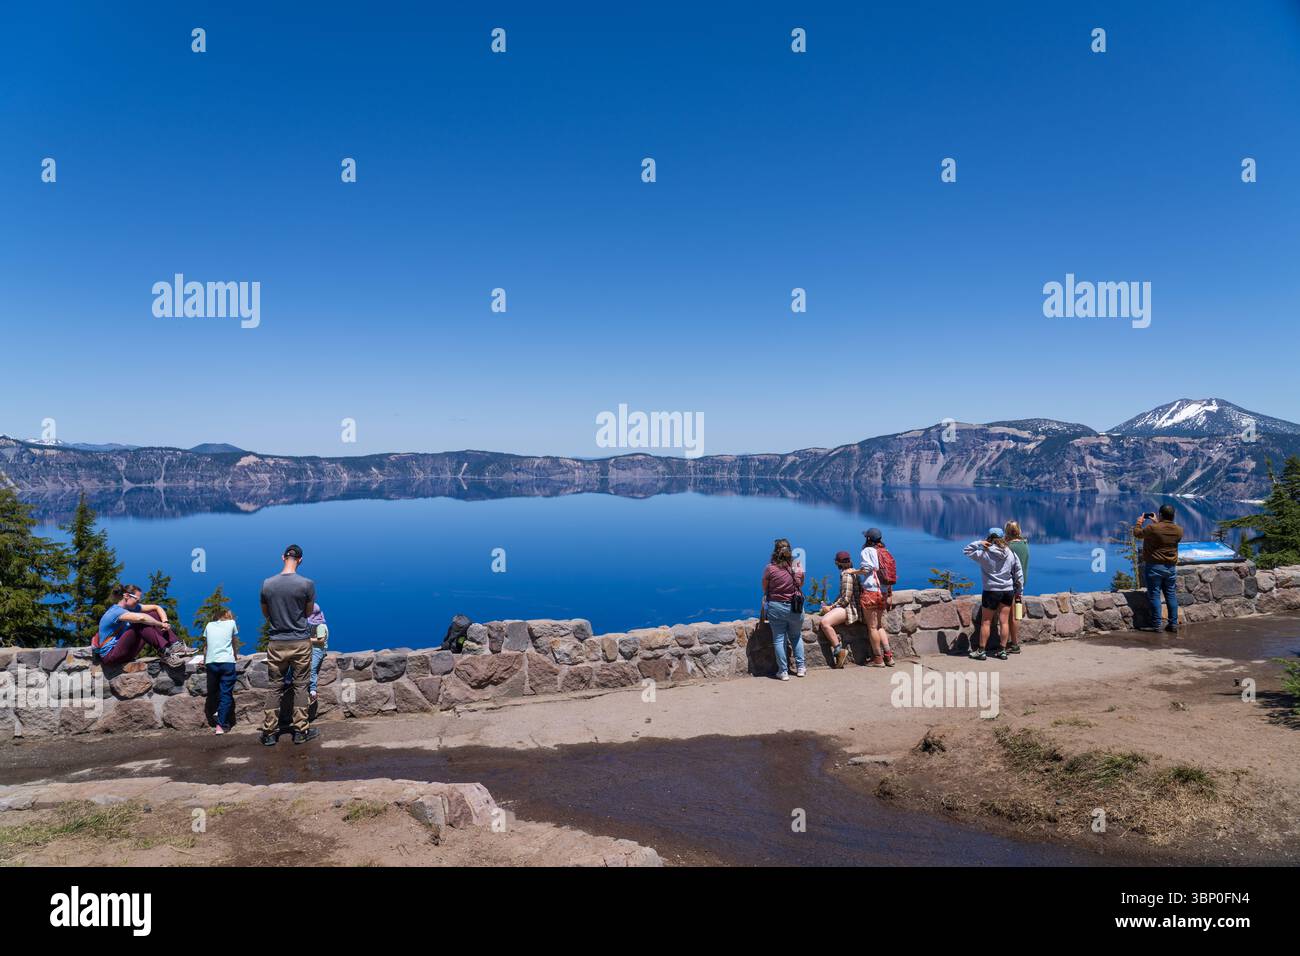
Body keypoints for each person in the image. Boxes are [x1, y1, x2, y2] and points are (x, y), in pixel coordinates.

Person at [259, 544, 320, 745]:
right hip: (300, 641)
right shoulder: (306, 584)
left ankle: (269, 733)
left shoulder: (267, 584)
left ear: (282, 557)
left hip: (276, 642)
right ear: (300, 560)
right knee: (301, 686)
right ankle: (301, 731)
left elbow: (266, 613)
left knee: (274, 687)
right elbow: (309, 613)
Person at [95, 583, 195, 668]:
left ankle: (175, 645)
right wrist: (160, 624)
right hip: (110, 656)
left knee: (153, 614)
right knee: (140, 623)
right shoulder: (115, 611)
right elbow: (141, 618)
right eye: (137, 599)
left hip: (126, 652)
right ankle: (165, 654)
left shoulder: (132, 608)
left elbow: (156, 607)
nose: (138, 602)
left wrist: (165, 622)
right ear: (126, 596)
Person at [964, 527, 1024, 661]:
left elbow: (966, 550)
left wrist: (979, 543)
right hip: (1008, 591)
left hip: (991, 591)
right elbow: (1018, 573)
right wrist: (1019, 591)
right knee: (1004, 622)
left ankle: (981, 651)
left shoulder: (984, 553)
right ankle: (1002, 650)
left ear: (989, 538)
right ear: (1002, 538)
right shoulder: (1010, 553)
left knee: (986, 622)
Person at [1134, 504, 1183, 633]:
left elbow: (1138, 534)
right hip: (1170, 567)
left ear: (1160, 514)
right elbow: (1164, 533)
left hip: (1154, 566)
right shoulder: (1179, 530)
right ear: (1173, 515)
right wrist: (1158, 522)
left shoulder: (1152, 528)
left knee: (1155, 595)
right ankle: (1173, 624)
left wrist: (1139, 523)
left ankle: (1156, 625)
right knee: (1171, 595)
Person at [761, 538, 805, 680]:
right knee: (796, 636)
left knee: (779, 639)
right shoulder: (797, 565)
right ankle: (800, 668)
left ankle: (783, 671)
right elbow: (801, 583)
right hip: (795, 607)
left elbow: (765, 587)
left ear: (775, 551)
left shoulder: (770, 568)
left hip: (777, 607)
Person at [855, 528, 894, 667]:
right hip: (883, 592)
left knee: (872, 627)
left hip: (871, 592)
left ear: (868, 539)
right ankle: (889, 657)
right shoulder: (885, 551)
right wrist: (889, 594)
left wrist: (852, 572)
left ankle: (878, 659)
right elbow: (887, 575)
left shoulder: (867, 551)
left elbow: (866, 569)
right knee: (879, 626)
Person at [817, 551, 857, 668]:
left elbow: (845, 599)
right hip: (850, 606)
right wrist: (832, 605)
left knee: (825, 623)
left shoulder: (846, 575)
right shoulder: (852, 571)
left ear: (837, 563)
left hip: (850, 609)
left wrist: (831, 607)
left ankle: (839, 651)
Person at [203, 609, 240, 734]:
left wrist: (204, 660)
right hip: (227, 663)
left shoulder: (209, 625)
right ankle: (221, 725)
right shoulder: (231, 623)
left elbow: (206, 646)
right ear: (227, 616)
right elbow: (233, 642)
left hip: (211, 663)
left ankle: (218, 712)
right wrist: (235, 655)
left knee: (213, 691)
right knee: (226, 694)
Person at [1003, 520, 1030, 655]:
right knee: (1017, 615)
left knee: (1008, 616)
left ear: (1007, 531)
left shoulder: (1008, 547)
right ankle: (1015, 642)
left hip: (1010, 585)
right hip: (1021, 586)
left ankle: (1010, 644)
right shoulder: (1025, 544)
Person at [307, 603, 329, 700]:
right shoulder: (315, 625)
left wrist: (308, 640)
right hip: (313, 648)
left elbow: (321, 640)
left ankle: (313, 690)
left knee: (312, 669)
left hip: (319, 649)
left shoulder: (320, 626)